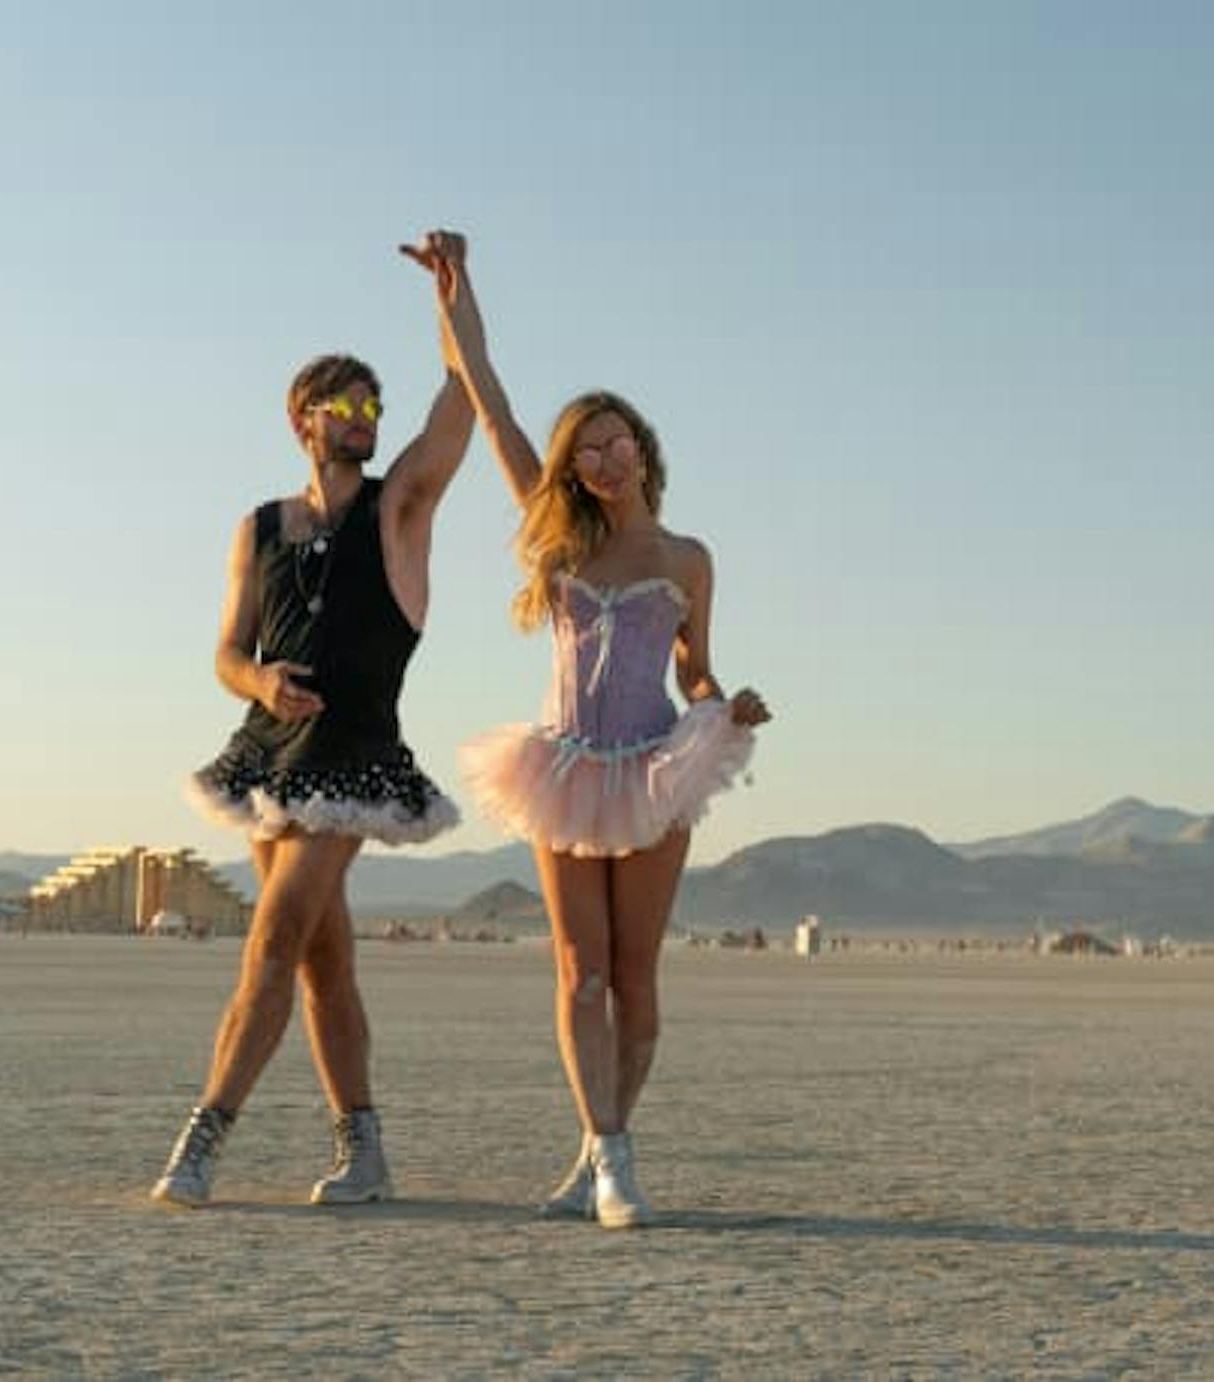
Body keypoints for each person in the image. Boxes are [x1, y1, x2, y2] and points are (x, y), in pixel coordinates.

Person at [152, 229, 481, 1209]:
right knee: (322, 960)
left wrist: (456, 301)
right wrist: (260, 686)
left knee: (276, 933)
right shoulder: (261, 526)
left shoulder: (398, 509)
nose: (368, 413)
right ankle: (365, 1150)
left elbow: (460, 409)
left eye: (375, 402)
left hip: (355, 754)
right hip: (271, 755)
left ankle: (204, 1135)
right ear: (303, 418)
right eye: (349, 401)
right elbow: (225, 652)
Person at [444, 273, 771, 1229]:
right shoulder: (559, 543)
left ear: (644, 449)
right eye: (586, 448)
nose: (605, 456)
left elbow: (695, 673)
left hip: (655, 766)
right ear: (573, 468)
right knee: (578, 974)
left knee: (635, 978)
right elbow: (493, 408)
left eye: (617, 438)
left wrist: (728, 705)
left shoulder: (686, 559)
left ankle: (605, 1147)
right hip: (563, 766)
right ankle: (609, 1157)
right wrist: (454, 297)